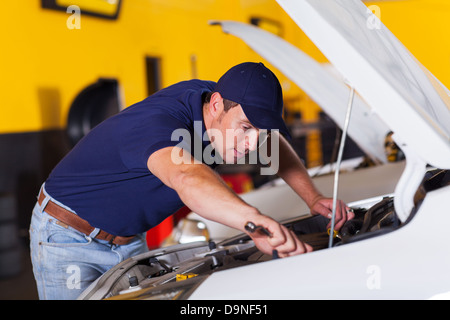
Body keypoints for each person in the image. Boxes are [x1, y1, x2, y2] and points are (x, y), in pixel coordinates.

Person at [29, 62, 353, 299]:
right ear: (215, 106)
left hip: (128, 240)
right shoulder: (160, 125)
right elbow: (187, 176)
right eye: (245, 129)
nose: (255, 144)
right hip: (68, 238)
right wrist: (255, 223)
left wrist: (313, 198)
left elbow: (272, 143)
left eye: (260, 132)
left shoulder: (225, 102)